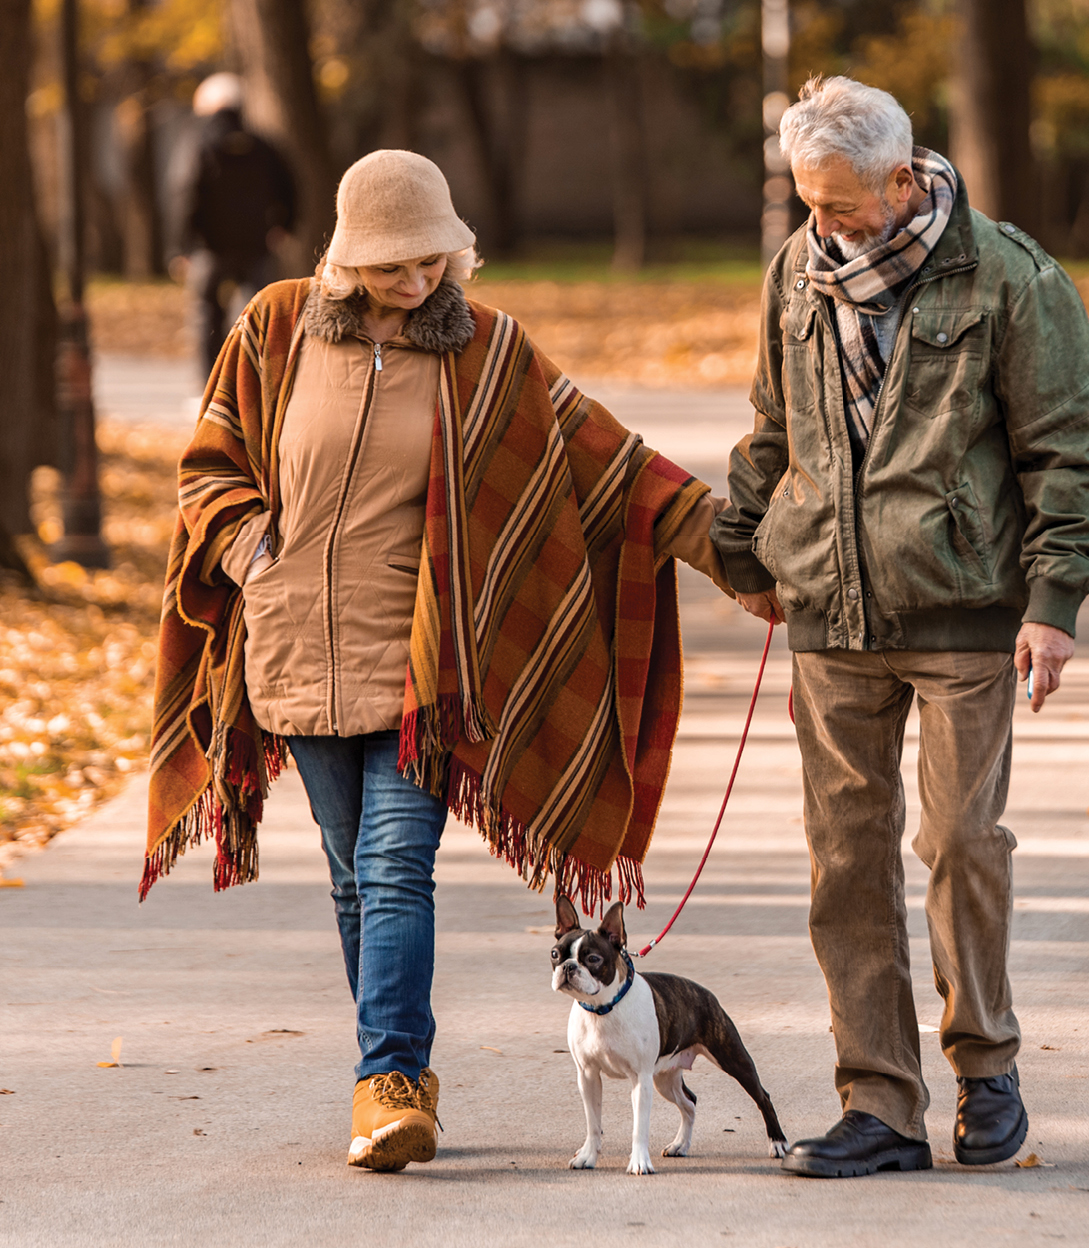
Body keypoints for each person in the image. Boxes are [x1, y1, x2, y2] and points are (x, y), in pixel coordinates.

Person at [145, 150, 732, 1173]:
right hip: (291, 652)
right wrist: (251, 550)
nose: (417, 285)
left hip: (425, 671)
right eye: (392, 267)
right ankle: (390, 1080)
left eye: (433, 262)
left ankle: (392, 1086)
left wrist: (730, 543)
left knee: (392, 866)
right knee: (348, 878)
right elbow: (211, 463)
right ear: (348, 259)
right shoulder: (276, 327)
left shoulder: (488, 351)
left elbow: (608, 461)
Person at [713, 76, 1089, 1177]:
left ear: (902, 179)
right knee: (843, 863)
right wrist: (748, 552)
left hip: (963, 613)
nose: (819, 227)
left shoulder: (1009, 278)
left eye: (838, 205)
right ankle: (879, 1105)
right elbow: (770, 426)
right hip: (831, 614)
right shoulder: (796, 273)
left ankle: (987, 1072)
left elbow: (1064, 450)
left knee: (959, 844)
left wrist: (1054, 605)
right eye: (806, 202)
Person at [176, 72, 298, 383]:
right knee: (258, 317)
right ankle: (254, 384)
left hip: (211, 249)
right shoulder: (263, 145)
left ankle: (210, 385)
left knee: (207, 316)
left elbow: (184, 193)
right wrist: (283, 226)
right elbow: (291, 188)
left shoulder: (199, 145)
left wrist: (183, 245)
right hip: (256, 246)